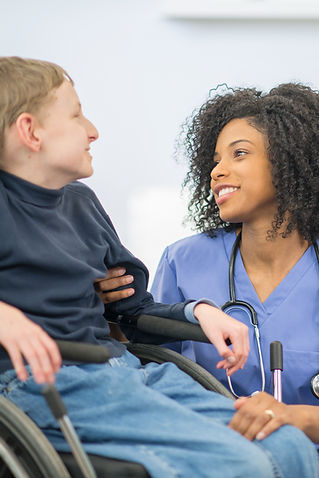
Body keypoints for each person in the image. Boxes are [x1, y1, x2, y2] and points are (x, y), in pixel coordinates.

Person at [0, 57, 316, 478]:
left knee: (289, 444)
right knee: (240, 462)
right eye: (76, 115)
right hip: (55, 385)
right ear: (30, 131)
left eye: (238, 154)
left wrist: (196, 310)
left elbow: (131, 310)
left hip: (127, 372)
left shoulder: (82, 203)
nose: (93, 130)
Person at [146, 83, 319, 460]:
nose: (217, 171)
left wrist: (295, 418)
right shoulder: (183, 261)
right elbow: (151, 376)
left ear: (289, 159)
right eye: (215, 160)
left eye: (239, 154)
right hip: (216, 457)